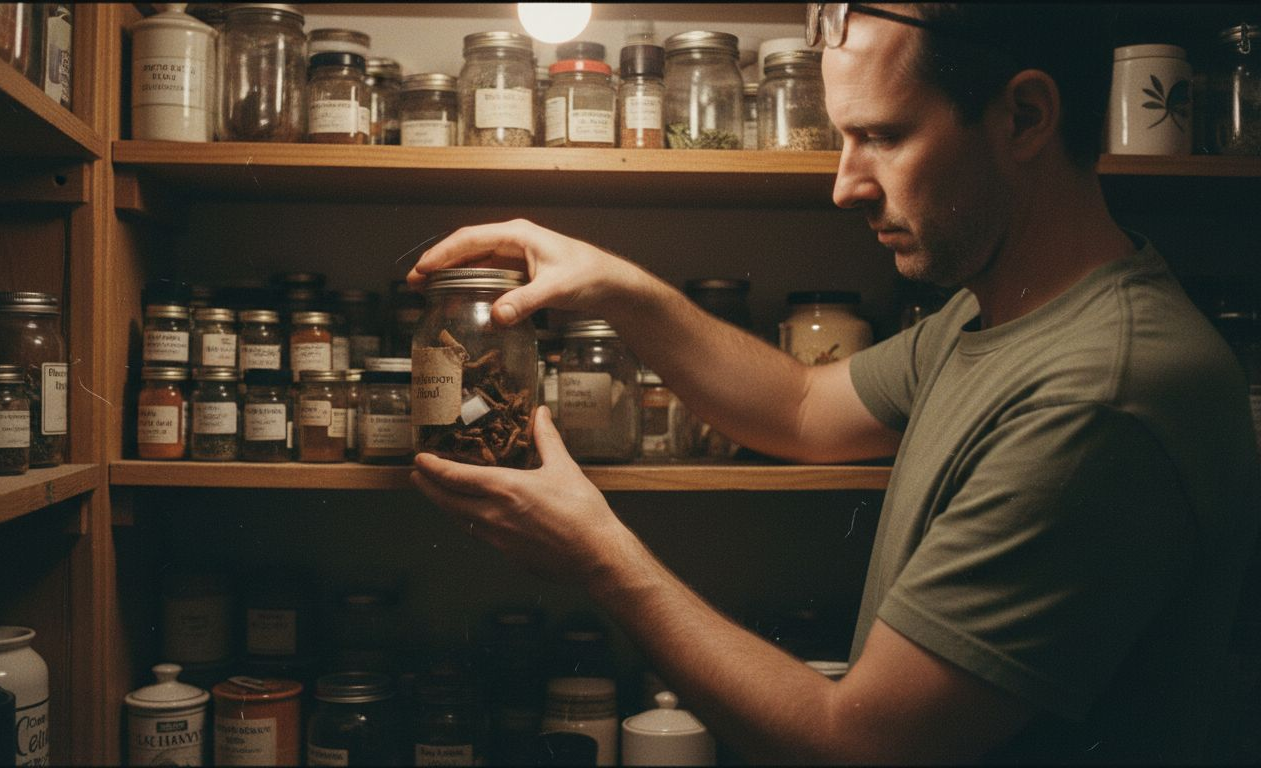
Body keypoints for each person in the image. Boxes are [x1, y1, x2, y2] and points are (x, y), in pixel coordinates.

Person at [407, 4, 1260, 763]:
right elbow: (803, 408)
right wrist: (612, 284)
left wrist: (600, 557)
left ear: (1025, 116)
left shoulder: (1100, 395)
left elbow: (859, 743)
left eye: (883, 136)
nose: (844, 185)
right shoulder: (992, 315)